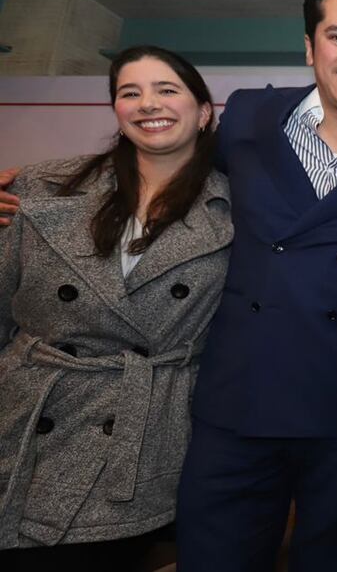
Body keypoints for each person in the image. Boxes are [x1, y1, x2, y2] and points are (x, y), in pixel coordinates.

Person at [167, 0, 337, 571]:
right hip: (240, 402)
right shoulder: (249, 118)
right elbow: (162, 164)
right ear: (309, 47)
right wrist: (58, 183)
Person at [0, 46, 230, 571]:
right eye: (131, 93)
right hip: (24, 415)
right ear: (118, 114)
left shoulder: (235, 210)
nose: (148, 104)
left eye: (167, 90)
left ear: (203, 112)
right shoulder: (39, 188)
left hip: (141, 431)